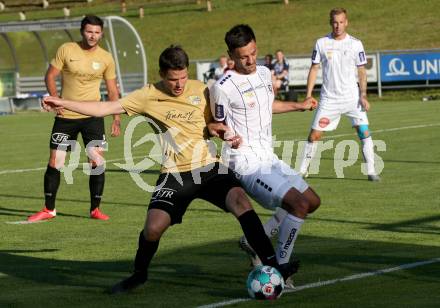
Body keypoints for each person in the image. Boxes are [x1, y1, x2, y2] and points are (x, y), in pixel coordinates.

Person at [41, 45, 299, 293]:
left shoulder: (201, 89)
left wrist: (222, 132)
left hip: (209, 167)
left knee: (241, 202)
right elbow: (105, 107)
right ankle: (139, 274)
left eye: (184, 77)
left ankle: (275, 265)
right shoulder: (147, 95)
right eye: (174, 79)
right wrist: (62, 102)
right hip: (175, 173)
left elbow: (212, 125)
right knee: (153, 228)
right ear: (163, 75)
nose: (180, 84)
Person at [209, 24, 321, 287]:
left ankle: (253, 240)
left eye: (253, 52)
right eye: (243, 56)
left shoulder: (264, 72)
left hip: (268, 157)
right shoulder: (222, 87)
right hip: (246, 163)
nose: (250, 60)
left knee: (312, 201)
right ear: (230, 55)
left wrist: (298, 105)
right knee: (299, 205)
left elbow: (267, 106)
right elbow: (217, 124)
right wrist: (228, 136)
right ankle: (282, 269)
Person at [27, 15, 121, 222]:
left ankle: (95, 209)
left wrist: (116, 117)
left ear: (101, 34)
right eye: (89, 31)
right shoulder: (67, 49)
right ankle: (49, 209)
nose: (92, 36)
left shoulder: (106, 57)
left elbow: (113, 90)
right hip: (66, 117)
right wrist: (55, 99)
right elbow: (50, 75)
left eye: (97, 32)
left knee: (97, 162)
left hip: (93, 116)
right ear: (82, 31)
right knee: (55, 161)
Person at [298, 8, 380, 181]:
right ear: (330, 23)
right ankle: (302, 172)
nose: (338, 26)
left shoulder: (356, 44)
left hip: (352, 98)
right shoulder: (321, 43)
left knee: (364, 132)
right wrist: (308, 94)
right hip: (329, 99)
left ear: (346, 22)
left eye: (341, 22)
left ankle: (372, 171)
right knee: (314, 136)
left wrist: (363, 95)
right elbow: (314, 68)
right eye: (335, 22)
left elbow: (362, 71)